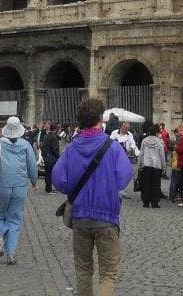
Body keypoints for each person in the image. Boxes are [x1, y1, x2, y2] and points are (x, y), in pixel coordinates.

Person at [52, 98, 133, 296]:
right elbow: (124, 176)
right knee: (108, 274)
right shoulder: (112, 147)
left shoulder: (72, 148)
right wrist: (107, 184)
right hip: (106, 216)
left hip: (80, 215)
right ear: (99, 119)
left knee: (83, 271)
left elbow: (59, 180)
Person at [0, 116, 38, 264]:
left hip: (2, 184)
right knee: (15, 218)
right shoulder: (25, 145)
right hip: (19, 185)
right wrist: (34, 181)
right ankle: (11, 253)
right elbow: (32, 165)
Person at [137, 123, 166, 208]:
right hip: (157, 165)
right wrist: (164, 166)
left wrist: (139, 165)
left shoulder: (144, 141)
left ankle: (146, 202)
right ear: (157, 133)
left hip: (146, 164)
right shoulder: (159, 141)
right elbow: (162, 155)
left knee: (146, 184)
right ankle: (154, 203)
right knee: (156, 185)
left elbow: (141, 154)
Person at [109, 122, 138, 199]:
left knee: (124, 173)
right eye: (125, 129)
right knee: (114, 173)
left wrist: (132, 148)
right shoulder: (114, 133)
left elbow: (133, 143)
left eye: (128, 129)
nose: (126, 130)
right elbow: (110, 142)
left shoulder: (129, 134)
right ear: (122, 127)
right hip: (115, 155)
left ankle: (123, 191)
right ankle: (114, 191)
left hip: (125, 156)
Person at [40, 120, 60, 193]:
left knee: (48, 173)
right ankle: (49, 189)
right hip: (52, 157)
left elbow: (43, 147)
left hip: (46, 157)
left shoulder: (46, 136)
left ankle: (48, 188)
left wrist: (44, 156)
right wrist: (59, 157)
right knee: (50, 174)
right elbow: (55, 149)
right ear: (55, 129)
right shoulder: (54, 137)